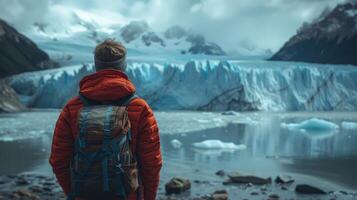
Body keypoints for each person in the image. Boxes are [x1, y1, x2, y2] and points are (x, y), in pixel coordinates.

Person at [49, 39, 162, 200]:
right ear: (123, 66)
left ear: (96, 66)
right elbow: (152, 164)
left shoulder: (72, 107)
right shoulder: (140, 108)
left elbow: (58, 161)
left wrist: (75, 194)